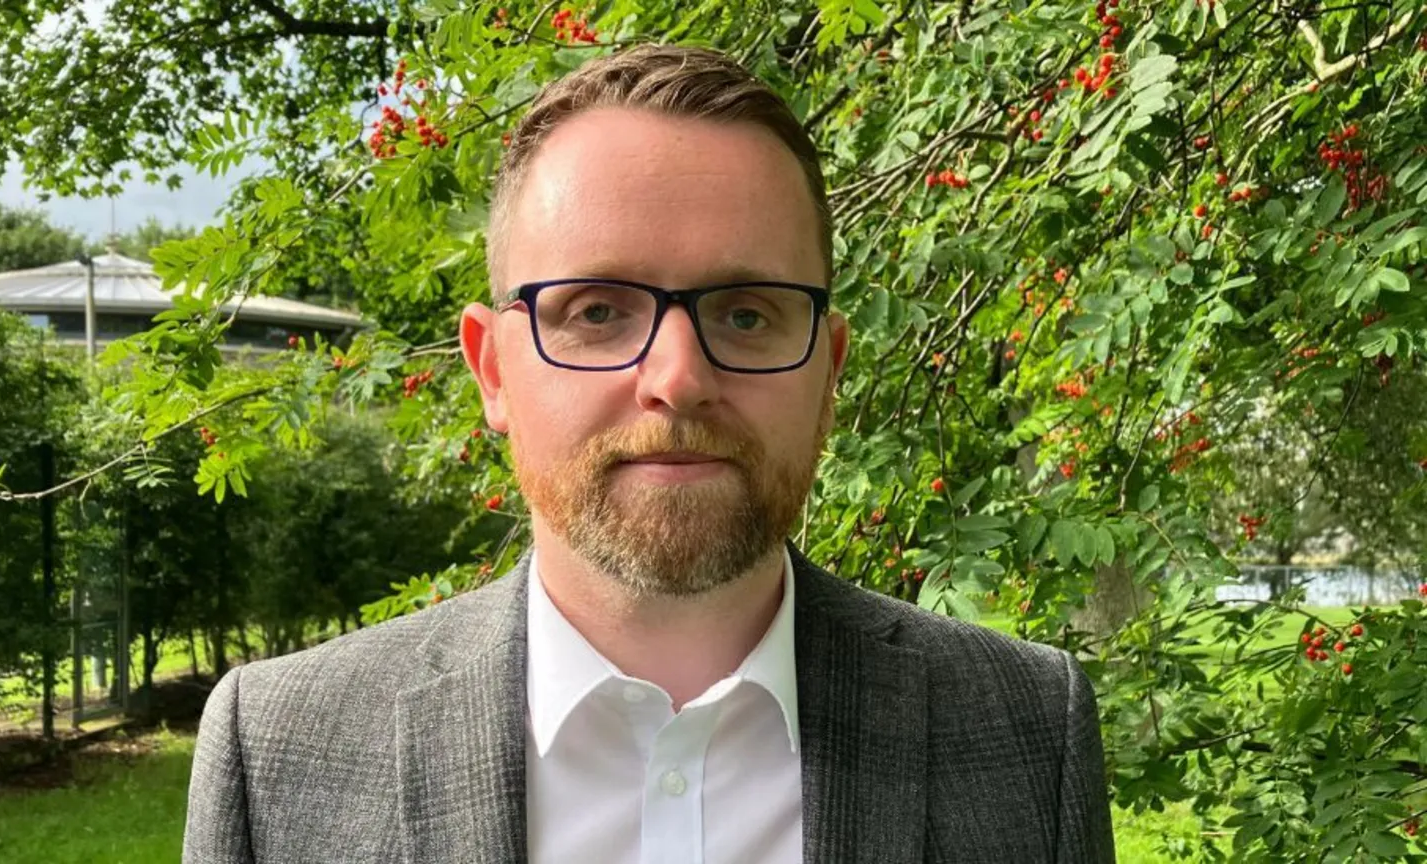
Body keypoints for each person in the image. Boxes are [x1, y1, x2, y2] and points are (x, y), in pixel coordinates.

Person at [183, 43, 1115, 863]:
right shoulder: (280, 755)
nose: (678, 376)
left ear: (828, 373)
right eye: (596, 311)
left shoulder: (1027, 729)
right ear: (493, 370)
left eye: (747, 314)